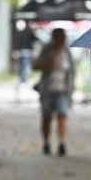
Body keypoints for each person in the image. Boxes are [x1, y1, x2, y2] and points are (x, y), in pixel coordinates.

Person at [33, 28, 75, 157]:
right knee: (47, 117)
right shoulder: (47, 50)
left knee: (62, 115)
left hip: (63, 89)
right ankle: (46, 142)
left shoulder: (67, 52)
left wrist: (71, 88)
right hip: (48, 89)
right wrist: (48, 63)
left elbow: (72, 71)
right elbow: (35, 65)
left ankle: (62, 142)